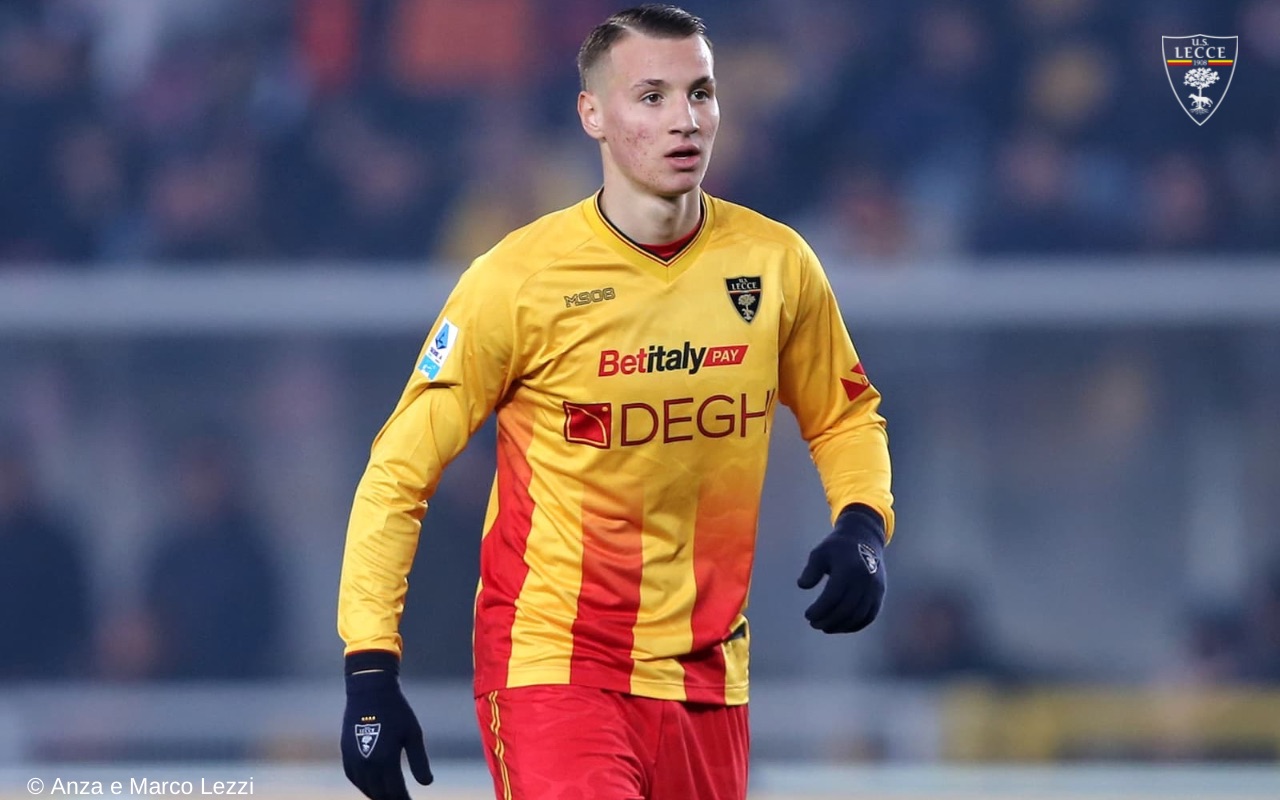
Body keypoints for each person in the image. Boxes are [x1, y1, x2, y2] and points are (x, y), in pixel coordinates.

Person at [337, 6, 894, 799]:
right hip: (555, 669)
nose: (684, 119)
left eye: (700, 93)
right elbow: (399, 471)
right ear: (592, 115)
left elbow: (843, 415)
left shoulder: (776, 265)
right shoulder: (517, 280)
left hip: (708, 681)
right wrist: (369, 667)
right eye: (652, 97)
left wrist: (863, 523)